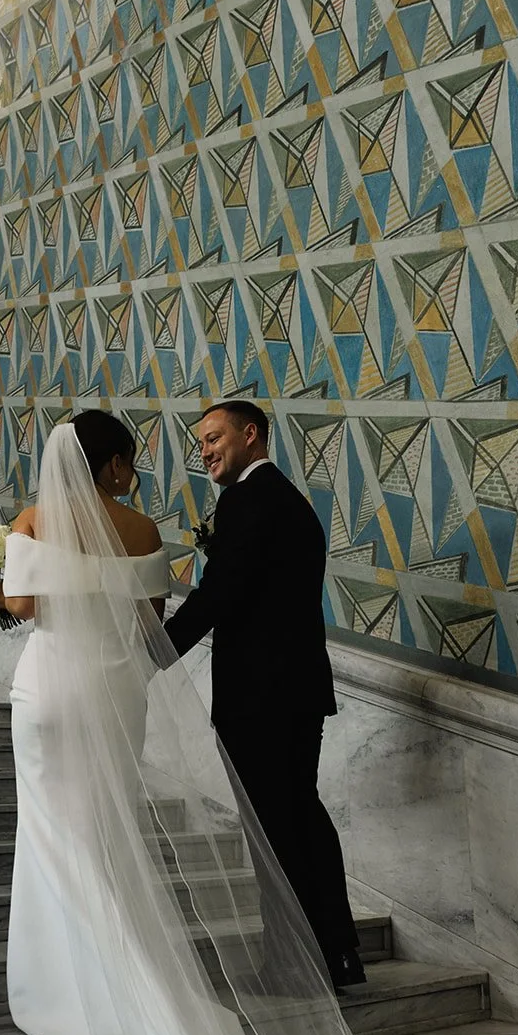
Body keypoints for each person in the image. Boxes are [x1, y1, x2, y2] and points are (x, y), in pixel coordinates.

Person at [0, 411, 518, 1035]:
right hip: (116, 692)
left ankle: (105, 969)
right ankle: (290, 954)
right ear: (115, 462)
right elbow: (155, 610)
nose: (198, 449)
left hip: (63, 690)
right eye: (178, 440)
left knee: (88, 841)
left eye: (213, 434)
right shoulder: (145, 527)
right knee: (138, 837)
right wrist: (139, 655)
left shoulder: (56, 514)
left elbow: (21, 602)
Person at [164, 400, 366, 993]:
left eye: (215, 437)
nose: (205, 450)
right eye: (201, 442)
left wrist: (152, 651)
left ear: (251, 435)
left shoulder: (248, 500)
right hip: (298, 693)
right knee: (303, 819)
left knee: (273, 833)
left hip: (259, 700)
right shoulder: (290, 502)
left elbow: (220, 593)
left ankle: (293, 963)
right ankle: (339, 953)